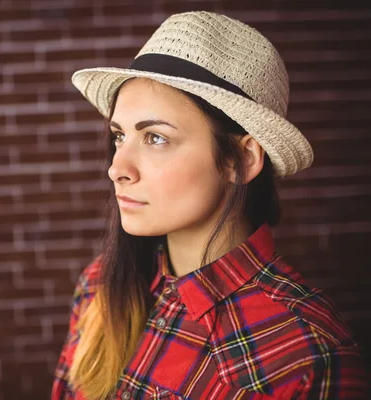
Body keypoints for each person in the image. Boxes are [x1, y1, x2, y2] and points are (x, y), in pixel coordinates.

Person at [51, 10, 368, 400]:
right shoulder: (101, 286)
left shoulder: (307, 354)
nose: (118, 168)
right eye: (119, 136)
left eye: (155, 138)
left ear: (241, 160)